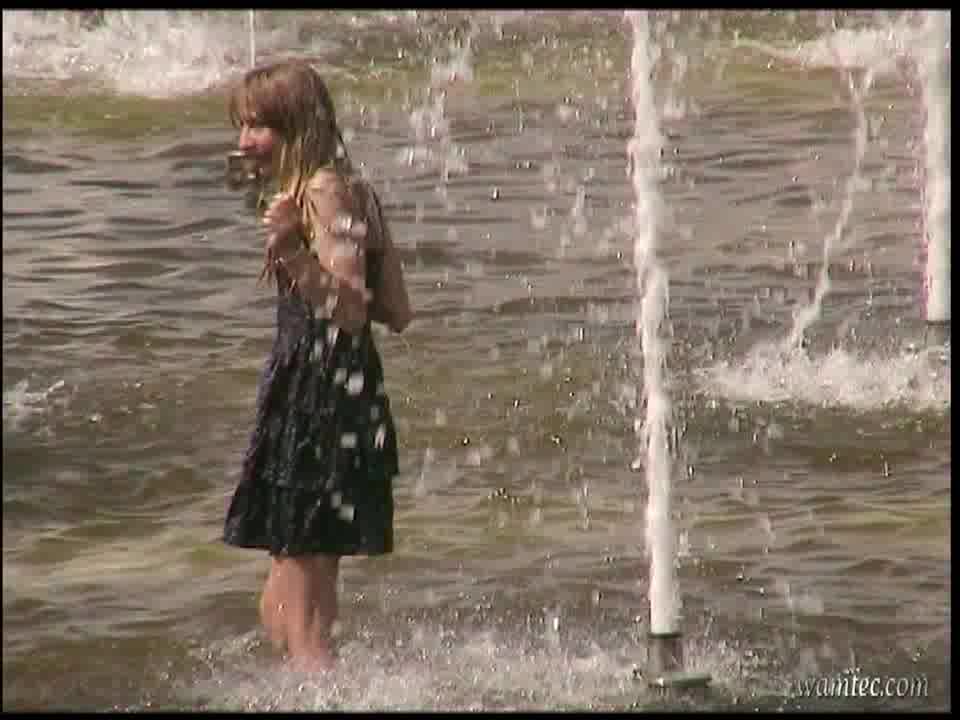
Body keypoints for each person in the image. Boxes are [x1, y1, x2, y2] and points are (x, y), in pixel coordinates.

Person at [221, 59, 413, 672]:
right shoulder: (334, 188)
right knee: (282, 605)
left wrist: (291, 250)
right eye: (241, 125)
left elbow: (352, 310)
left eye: (258, 125)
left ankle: (322, 691)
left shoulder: (327, 191)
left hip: (323, 396)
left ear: (297, 126)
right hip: (312, 389)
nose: (244, 140)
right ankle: (326, 685)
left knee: (300, 616)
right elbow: (398, 308)